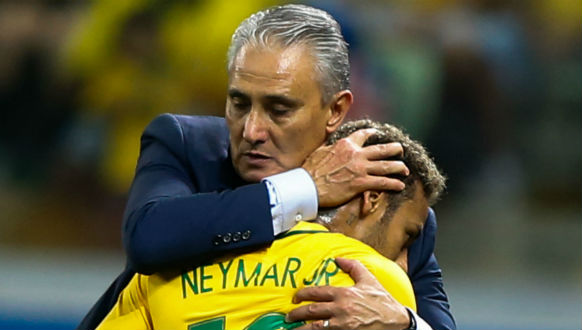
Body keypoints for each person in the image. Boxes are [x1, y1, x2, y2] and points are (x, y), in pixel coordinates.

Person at [78, 4, 455, 330]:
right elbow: (149, 239)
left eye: (279, 110)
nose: (252, 130)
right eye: (239, 104)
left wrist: (402, 323)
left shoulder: (388, 193)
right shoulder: (188, 146)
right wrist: (305, 188)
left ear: (336, 110)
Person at [96, 120, 446, 330]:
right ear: (372, 198)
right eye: (408, 237)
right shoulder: (379, 292)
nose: (405, 261)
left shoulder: (167, 270)